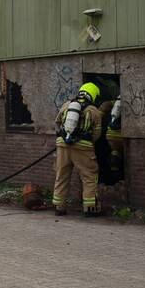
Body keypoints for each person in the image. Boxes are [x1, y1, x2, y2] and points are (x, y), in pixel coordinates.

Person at [52, 82, 103, 216]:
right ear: (92, 95)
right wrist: (88, 141)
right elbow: (97, 133)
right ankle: (90, 208)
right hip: (83, 148)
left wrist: (65, 137)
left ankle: (59, 207)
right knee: (89, 176)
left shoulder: (66, 105)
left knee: (61, 175)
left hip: (63, 145)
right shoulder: (93, 110)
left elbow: (57, 123)